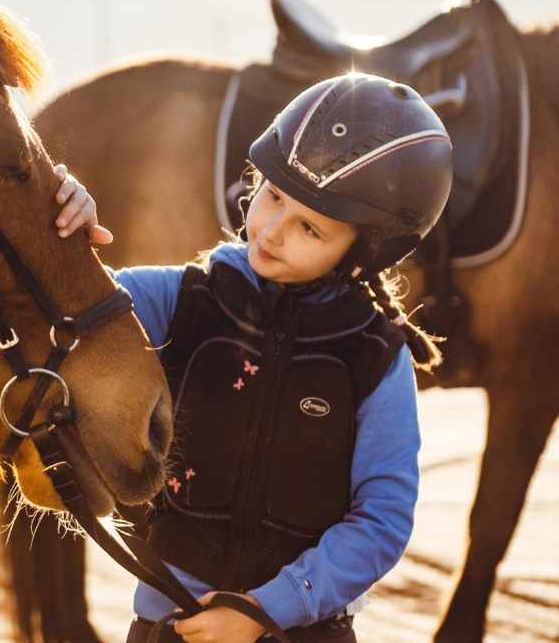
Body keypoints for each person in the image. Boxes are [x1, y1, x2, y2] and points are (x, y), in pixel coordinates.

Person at [51, 72, 453, 643]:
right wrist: (64, 214)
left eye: (309, 227)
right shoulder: (181, 299)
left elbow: (382, 519)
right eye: (273, 196)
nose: (271, 231)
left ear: (363, 252)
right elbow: (70, 302)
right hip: (171, 628)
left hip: (306, 633)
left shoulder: (376, 358)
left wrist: (266, 610)